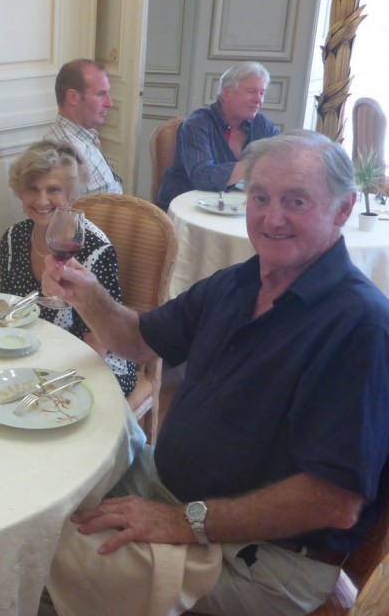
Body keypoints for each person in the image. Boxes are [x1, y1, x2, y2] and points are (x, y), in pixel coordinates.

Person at [41, 130, 389, 616]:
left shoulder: (359, 325)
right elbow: (137, 339)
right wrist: (86, 290)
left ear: (343, 208)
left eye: (296, 201)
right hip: (168, 488)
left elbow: (333, 502)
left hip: (261, 558)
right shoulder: (239, 282)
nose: (272, 218)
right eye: (260, 197)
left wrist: (182, 522)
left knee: (50, 554)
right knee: (43, 499)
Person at [0, 140, 137, 395]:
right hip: (33, 354)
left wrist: (50, 386)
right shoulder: (12, 238)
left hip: (90, 364)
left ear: (72, 195)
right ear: (20, 192)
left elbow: (100, 339)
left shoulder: (95, 249)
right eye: (32, 188)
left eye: (53, 189)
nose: (42, 200)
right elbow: (12, 312)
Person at [156, 61, 280, 210]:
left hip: (234, 205)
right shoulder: (197, 124)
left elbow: (280, 158)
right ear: (227, 93)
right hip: (187, 207)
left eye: (262, 93)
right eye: (251, 91)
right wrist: (255, 164)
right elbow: (202, 177)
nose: (258, 100)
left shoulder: (262, 124)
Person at [45, 59, 123, 196]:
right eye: (100, 94)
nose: (109, 103)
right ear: (73, 97)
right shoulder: (63, 153)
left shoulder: (84, 136)